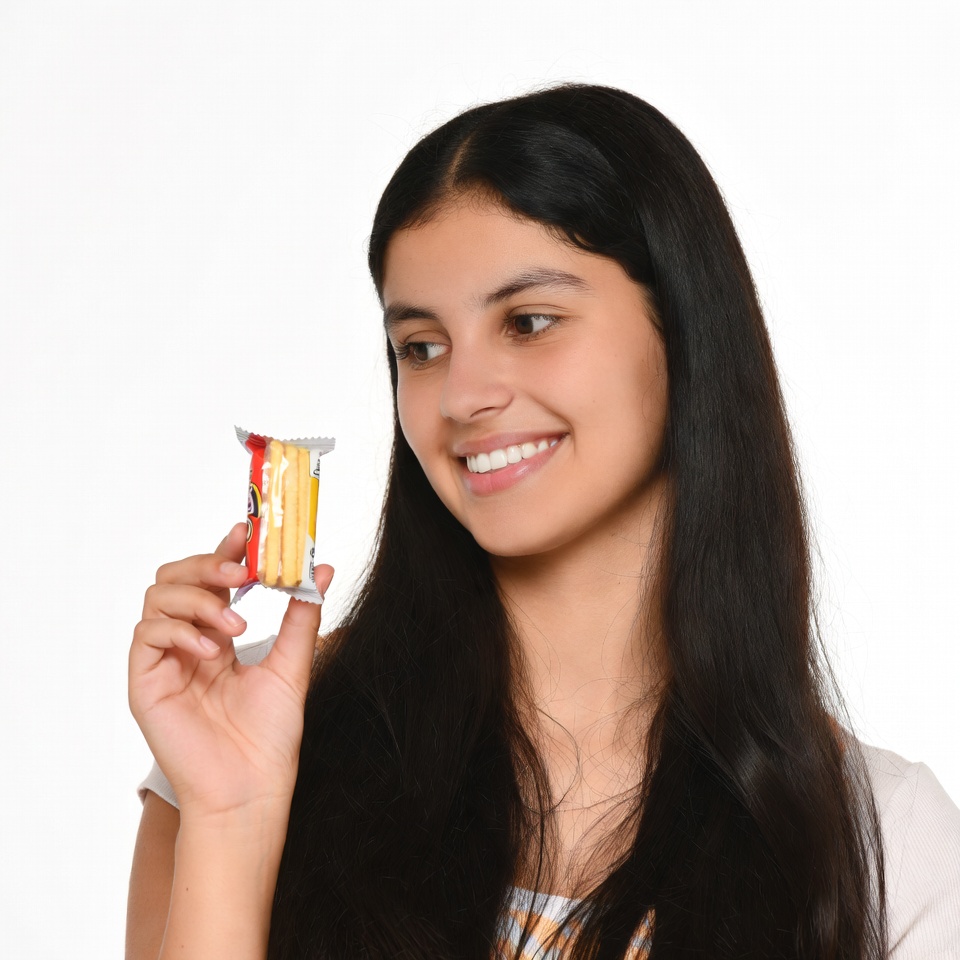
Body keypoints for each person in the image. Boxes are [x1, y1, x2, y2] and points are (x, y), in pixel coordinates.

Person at [127, 83, 960, 960]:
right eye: (421, 346)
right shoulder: (248, 735)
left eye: (528, 322)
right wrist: (234, 815)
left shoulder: (887, 847)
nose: (462, 396)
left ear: (682, 332)